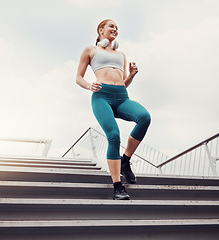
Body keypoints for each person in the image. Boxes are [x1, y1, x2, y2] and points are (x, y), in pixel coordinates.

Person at [76, 19, 151, 200]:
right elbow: (78, 77)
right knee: (114, 136)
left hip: (122, 96)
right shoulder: (90, 50)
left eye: (117, 27)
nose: (115, 29)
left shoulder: (121, 55)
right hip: (102, 96)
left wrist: (131, 75)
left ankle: (125, 160)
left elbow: (124, 83)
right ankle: (118, 186)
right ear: (101, 30)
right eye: (111, 26)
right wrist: (89, 85)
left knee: (144, 117)